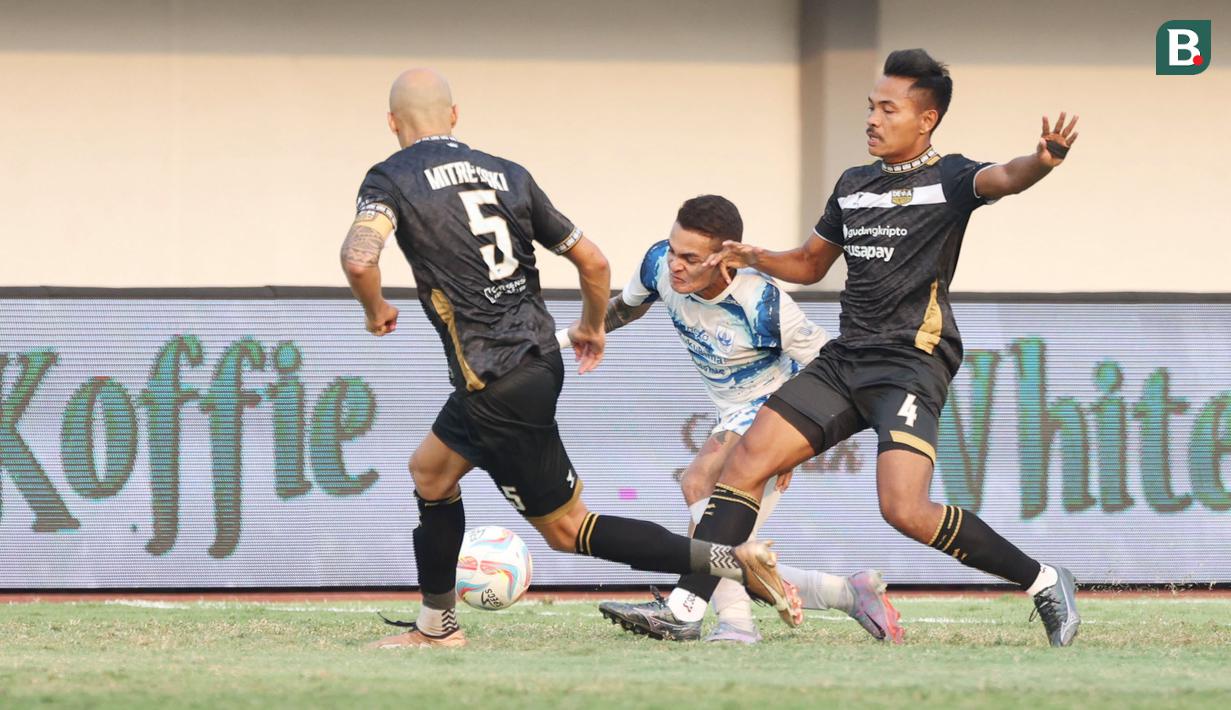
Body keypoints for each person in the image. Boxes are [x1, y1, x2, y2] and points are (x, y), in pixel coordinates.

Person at [601, 49, 1082, 647]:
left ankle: (1043, 580)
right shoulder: (853, 186)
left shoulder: (952, 179)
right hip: (846, 359)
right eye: (870, 106)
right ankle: (684, 609)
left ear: (926, 120)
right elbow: (809, 264)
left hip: (910, 365)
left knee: (905, 509)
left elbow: (1004, 178)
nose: (873, 119)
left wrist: (1041, 162)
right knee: (744, 465)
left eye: (888, 109)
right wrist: (755, 256)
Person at [339, 69, 794, 649]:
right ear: (454, 116)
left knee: (568, 530)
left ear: (392, 122)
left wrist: (375, 309)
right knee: (430, 473)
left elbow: (359, 257)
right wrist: (591, 325)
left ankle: (729, 559)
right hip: (531, 365)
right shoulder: (508, 173)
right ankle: (437, 625)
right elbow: (594, 261)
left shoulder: (391, 176)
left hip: (494, 381)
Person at [561, 195, 902, 644]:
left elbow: (831, 370)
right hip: (731, 413)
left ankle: (731, 626)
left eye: (690, 258)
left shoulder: (763, 304)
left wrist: (794, 443)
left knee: (698, 483)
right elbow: (625, 307)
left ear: (724, 259)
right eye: (673, 250)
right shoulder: (658, 264)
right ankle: (848, 593)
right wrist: (568, 337)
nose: (675, 264)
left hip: (775, 407)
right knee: (711, 546)